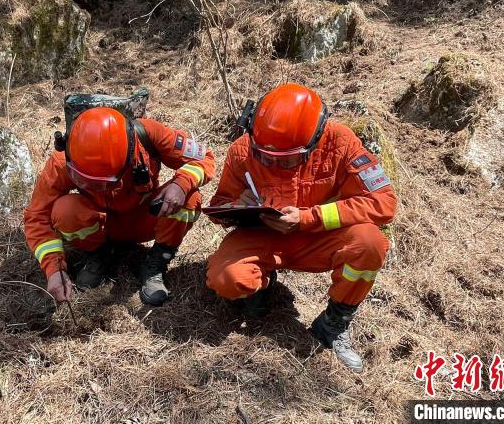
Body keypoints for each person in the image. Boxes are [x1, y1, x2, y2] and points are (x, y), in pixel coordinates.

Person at [205, 83, 397, 372]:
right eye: (265, 157)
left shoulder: (341, 142)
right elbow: (218, 208)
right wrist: (238, 206)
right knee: (225, 280)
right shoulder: (243, 150)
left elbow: (384, 204)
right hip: (263, 238)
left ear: (315, 140)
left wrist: (310, 218)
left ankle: (333, 324)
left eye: (288, 159)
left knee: (370, 243)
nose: (273, 164)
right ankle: (264, 287)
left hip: (318, 239)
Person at [25, 106, 215, 306]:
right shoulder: (62, 162)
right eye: (87, 182)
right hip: (100, 226)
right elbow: (37, 217)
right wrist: (54, 270)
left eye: (105, 182)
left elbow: (205, 158)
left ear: (129, 156)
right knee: (64, 211)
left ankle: (157, 263)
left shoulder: (150, 135)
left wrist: (181, 184)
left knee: (190, 197)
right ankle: (99, 256)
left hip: (145, 220)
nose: (98, 188)